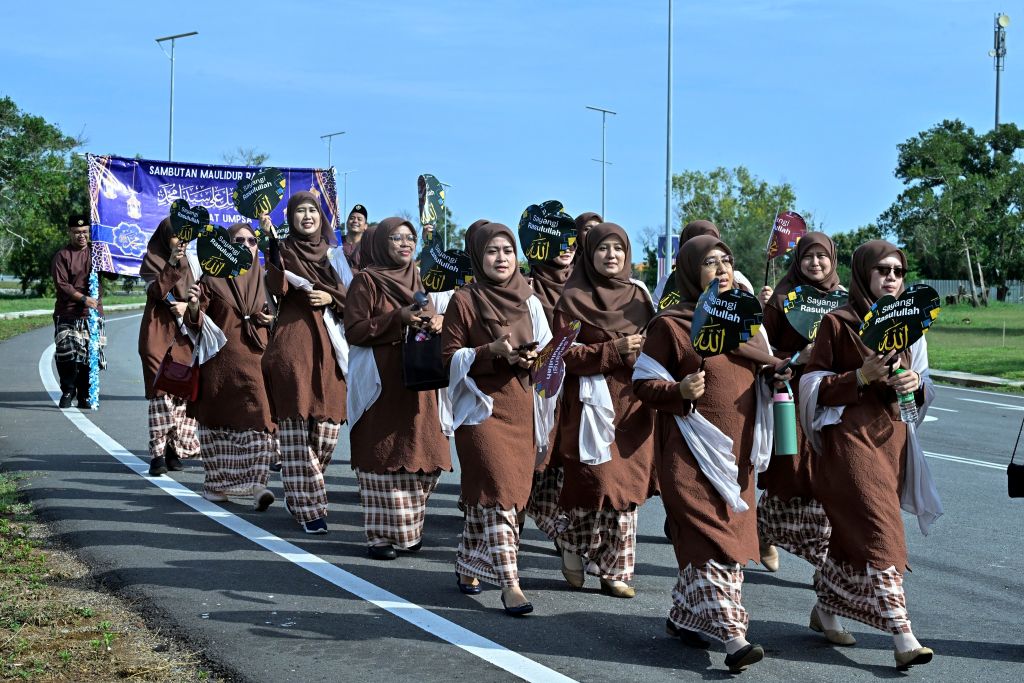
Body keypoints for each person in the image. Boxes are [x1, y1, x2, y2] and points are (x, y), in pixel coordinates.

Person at [632, 235, 789, 673]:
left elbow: (765, 366)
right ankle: (734, 636)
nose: (720, 268)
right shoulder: (670, 324)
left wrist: (780, 373)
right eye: (709, 262)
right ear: (688, 270)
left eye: (726, 260)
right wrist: (678, 390)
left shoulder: (748, 322)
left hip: (737, 452)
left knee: (730, 540)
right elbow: (642, 384)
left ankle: (685, 616)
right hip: (688, 449)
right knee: (708, 540)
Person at [799, 240, 937, 671]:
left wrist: (913, 382)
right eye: (882, 271)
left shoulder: (912, 327)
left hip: (890, 441)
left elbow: (921, 394)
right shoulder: (837, 323)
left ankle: (825, 608)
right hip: (849, 443)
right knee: (882, 532)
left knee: (848, 537)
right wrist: (858, 376)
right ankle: (903, 636)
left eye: (898, 271)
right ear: (863, 275)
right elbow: (811, 385)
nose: (891, 278)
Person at [442, 223, 553, 616]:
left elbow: (546, 356)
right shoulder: (464, 300)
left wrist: (529, 358)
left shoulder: (531, 301)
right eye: (492, 251)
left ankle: (468, 563)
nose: (502, 258)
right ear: (478, 255)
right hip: (481, 409)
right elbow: (448, 358)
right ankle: (510, 584)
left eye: (508, 250)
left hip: (521, 407)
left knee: (500, 496)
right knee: (500, 489)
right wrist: (490, 351)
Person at [553, 223, 657, 598]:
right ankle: (571, 541)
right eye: (603, 249)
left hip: (634, 404)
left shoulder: (640, 298)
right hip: (590, 402)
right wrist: (615, 350)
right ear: (589, 253)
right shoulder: (572, 300)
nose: (611, 255)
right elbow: (563, 355)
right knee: (595, 483)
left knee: (626, 488)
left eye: (618, 248)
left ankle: (615, 570)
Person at [345, 218, 451, 560]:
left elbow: (428, 312)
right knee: (383, 455)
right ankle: (379, 537)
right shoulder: (366, 280)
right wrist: (397, 319)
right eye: (396, 237)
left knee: (424, 455)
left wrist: (437, 321)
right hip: (382, 378)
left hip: (418, 378)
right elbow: (355, 330)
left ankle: (407, 531)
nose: (405, 243)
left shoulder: (419, 278)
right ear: (379, 243)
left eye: (410, 238)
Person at [755, 232, 844, 577]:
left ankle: (824, 562)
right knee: (791, 471)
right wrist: (797, 356)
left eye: (822, 257)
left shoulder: (843, 299)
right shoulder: (780, 300)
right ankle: (764, 530)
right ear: (798, 259)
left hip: (828, 399)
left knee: (826, 477)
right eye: (809, 256)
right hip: (787, 397)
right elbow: (760, 351)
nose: (815, 263)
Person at [262, 192, 348, 534]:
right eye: (300, 211)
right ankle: (309, 507)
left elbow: (355, 296)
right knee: (296, 429)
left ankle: (301, 486)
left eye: (313, 210)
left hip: (330, 349)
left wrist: (331, 297)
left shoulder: (336, 256)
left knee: (326, 433)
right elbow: (274, 286)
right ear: (291, 217)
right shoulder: (282, 251)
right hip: (293, 345)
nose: (307, 216)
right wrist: (271, 248)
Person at [186, 223, 277, 510]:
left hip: (258, 365)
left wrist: (270, 320)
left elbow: (286, 319)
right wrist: (192, 307)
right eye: (239, 240)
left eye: (252, 241)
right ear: (227, 245)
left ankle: (258, 485)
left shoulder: (267, 281)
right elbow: (196, 322)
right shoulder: (211, 279)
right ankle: (216, 485)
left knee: (262, 423)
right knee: (217, 426)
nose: (247, 245)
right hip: (220, 368)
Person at [523, 226, 575, 544]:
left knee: (563, 465)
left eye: (571, 242)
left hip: (579, 388)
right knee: (534, 463)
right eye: (558, 242)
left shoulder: (584, 287)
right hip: (537, 388)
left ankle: (560, 528)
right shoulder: (526, 288)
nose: (566, 248)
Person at [138, 217, 201, 475]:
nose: (180, 242)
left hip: (185, 335)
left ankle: (174, 448)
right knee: (160, 394)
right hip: (157, 333)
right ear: (166, 237)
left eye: (184, 237)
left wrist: (191, 306)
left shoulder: (195, 263)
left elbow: (202, 295)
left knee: (180, 394)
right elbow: (157, 291)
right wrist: (173, 262)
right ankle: (156, 453)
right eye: (176, 237)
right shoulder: (152, 259)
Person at [52, 214, 103, 409]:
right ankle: (68, 389)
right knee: (66, 354)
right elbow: (62, 285)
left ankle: (84, 394)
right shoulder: (62, 255)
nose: (81, 236)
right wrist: (83, 299)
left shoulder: (97, 253)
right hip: (68, 312)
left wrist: (113, 258)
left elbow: (112, 275)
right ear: (69, 233)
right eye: (77, 232)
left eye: (84, 232)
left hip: (93, 313)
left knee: (90, 356)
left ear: (89, 232)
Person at [341, 204, 369, 271]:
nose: (355, 221)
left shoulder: (368, 246)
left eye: (359, 219)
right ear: (347, 222)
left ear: (365, 226)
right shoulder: (336, 243)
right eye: (352, 218)